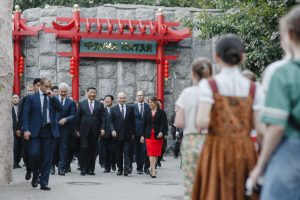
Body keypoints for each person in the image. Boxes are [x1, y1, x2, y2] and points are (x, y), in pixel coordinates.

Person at [192, 34, 263, 200]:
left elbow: (201, 122)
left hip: (217, 147)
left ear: (217, 57)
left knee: (214, 193)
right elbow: (260, 129)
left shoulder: (209, 86)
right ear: (242, 57)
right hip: (245, 149)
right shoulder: (254, 88)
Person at [249, 6, 300, 200]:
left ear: (289, 34)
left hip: (290, 153)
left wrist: (260, 166)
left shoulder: (282, 72)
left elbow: (276, 127)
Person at [174, 57, 212, 200]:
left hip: (191, 139)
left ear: (193, 74)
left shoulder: (187, 93)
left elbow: (179, 122)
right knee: (210, 180)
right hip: (211, 139)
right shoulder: (216, 93)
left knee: (191, 182)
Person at [22, 78, 64, 191]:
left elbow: (61, 109)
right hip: (35, 131)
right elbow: (25, 115)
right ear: (40, 85)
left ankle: (44, 183)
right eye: (46, 86)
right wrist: (26, 129)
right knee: (34, 154)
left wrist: (53, 97)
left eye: (50, 87)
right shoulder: (31, 98)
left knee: (47, 158)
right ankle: (35, 174)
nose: (48, 89)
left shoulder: (52, 98)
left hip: (49, 131)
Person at [77, 87, 105, 176]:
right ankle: (83, 168)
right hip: (84, 131)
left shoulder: (100, 105)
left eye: (94, 93)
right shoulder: (82, 104)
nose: (92, 94)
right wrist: (77, 130)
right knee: (84, 149)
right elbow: (78, 118)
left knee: (93, 151)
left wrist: (102, 128)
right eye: (91, 92)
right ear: (87, 93)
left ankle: (91, 169)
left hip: (95, 131)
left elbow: (103, 118)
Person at [18, 78, 41, 181]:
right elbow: (22, 115)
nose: (39, 88)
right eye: (37, 85)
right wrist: (19, 128)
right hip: (27, 130)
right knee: (27, 152)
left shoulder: (46, 98)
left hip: (41, 131)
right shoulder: (26, 99)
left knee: (38, 153)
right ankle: (28, 169)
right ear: (33, 86)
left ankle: (37, 172)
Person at [109, 92, 135, 176]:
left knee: (127, 152)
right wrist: (112, 130)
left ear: (125, 99)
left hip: (128, 135)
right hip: (117, 135)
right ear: (117, 99)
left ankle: (127, 168)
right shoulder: (113, 109)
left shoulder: (130, 108)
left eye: (123, 98)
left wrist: (133, 132)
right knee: (118, 153)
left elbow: (133, 121)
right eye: (120, 98)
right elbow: (110, 122)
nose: (122, 99)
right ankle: (120, 169)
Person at [142, 97, 168, 178]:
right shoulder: (146, 112)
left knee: (156, 153)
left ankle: (153, 168)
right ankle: (153, 169)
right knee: (151, 153)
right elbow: (144, 125)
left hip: (158, 136)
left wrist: (161, 132)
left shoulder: (162, 112)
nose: (150, 104)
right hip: (148, 135)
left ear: (155, 102)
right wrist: (142, 135)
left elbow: (164, 124)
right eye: (149, 102)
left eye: (151, 102)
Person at [55, 83, 76, 175]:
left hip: (65, 129)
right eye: (61, 91)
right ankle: (52, 165)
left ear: (67, 92)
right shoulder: (53, 100)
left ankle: (62, 168)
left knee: (64, 148)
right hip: (54, 128)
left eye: (65, 92)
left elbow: (74, 115)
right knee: (54, 148)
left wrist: (66, 119)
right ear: (58, 91)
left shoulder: (71, 102)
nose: (63, 93)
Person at [133, 91, 150, 174]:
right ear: (136, 97)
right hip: (136, 132)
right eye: (138, 95)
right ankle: (139, 168)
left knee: (146, 150)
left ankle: (146, 167)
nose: (139, 97)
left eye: (141, 95)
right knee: (137, 151)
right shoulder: (133, 107)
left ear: (144, 96)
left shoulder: (148, 106)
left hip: (146, 132)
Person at [102, 95, 116, 173]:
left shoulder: (115, 109)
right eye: (105, 99)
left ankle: (113, 163)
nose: (107, 101)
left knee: (114, 150)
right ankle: (107, 167)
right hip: (105, 133)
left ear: (112, 101)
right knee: (106, 151)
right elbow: (101, 121)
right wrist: (102, 129)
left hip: (114, 133)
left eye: (108, 99)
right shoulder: (102, 110)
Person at [12, 94, 22, 169]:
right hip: (12, 131)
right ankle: (14, 162)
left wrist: (20, 129)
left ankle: (17, 162)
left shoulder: (21, 108)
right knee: (14, 147)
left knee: (19, 147)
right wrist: (15, 130)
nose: (15, 99)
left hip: (21, 130)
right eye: (14, 98)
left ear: (19, 99)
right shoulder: (9, 109)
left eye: (16, 98)